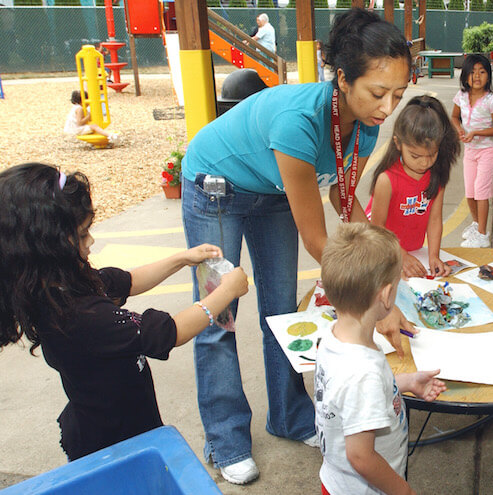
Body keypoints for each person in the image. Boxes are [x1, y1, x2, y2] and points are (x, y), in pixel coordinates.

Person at [181, 8, 413, 485]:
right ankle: (226, 439)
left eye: (398, 93)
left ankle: (289, 417)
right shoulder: (298, 122)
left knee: (282, 312)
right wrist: (373, 299)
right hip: (214, 185)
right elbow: (318, 240)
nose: (388, 108)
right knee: (217, 314)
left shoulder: (365, 124)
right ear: (342, 79)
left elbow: (343, 199)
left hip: (271, 192)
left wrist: (382, 261)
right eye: (377, 92)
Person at [0, 163, 249, 462]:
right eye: (81, 235)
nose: (90, 241)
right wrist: (227, 291)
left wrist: (182, 259)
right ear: (44, 247)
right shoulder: (81, 317)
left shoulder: (61, 285)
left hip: (117, 423)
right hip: (112, 444)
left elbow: (127, 281)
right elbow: (172, 332)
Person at [314, 222, 447, 495]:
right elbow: (361, 457)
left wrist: (406, 382)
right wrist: (403, 491)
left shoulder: (335, 337)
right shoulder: (363, 371)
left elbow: (350, 399)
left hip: (338, 481)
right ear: (386, 295)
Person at [367, 95, 460, 278]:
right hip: (384, 251)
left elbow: (434, 220)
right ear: (398, 143)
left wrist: (433, 256)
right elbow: (377, 228)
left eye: (432, 155)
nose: (424, 163)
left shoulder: (436, 175)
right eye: (415, 156)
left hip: (416, 252)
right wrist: (401, 255)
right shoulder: (387, 180)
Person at [450, 54, 493, 248]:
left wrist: (476, 132)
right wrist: (460, 130)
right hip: (470, 151)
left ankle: (482, 234)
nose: (477, 76)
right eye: (472, 73)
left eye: (482, 72)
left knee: (482, 192)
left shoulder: (491, 100)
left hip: (487, 151)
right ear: (465, 77)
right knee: (470, 192)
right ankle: (476, 224)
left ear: (488, 76)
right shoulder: (461, 97)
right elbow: (454, 117)